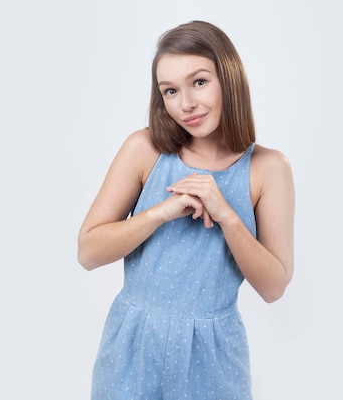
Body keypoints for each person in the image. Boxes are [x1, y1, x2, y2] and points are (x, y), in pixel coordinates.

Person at [77, 20, 295, 400]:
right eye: (170, 91)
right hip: (132, 344)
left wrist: (227, 215)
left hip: (214, 356)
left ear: (229, 78)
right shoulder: (144, 149)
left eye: (199, 82)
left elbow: (274, 288)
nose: (186, 104)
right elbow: (88, 252)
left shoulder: (268, 169)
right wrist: (161, 212)